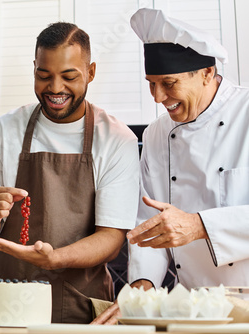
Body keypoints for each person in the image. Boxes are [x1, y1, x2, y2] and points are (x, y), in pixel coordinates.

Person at [0, 22, 140, 323]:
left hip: (84, 311)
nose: (55, 88)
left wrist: (55, 258)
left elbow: (112, 237)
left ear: (91, 72)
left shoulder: (116, 138)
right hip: (8, 310)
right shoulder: (3, 130)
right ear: (34, 69)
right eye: (43, 76)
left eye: (69, 77)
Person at [93, 8, 249, 324]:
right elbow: (150, 226)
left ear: (207, 72)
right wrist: (142, 289)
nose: (158, 97)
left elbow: (188, 225)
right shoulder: (156, 135)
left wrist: (200, 225)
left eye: (169, 83)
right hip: (191, 310)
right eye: (151, 83)